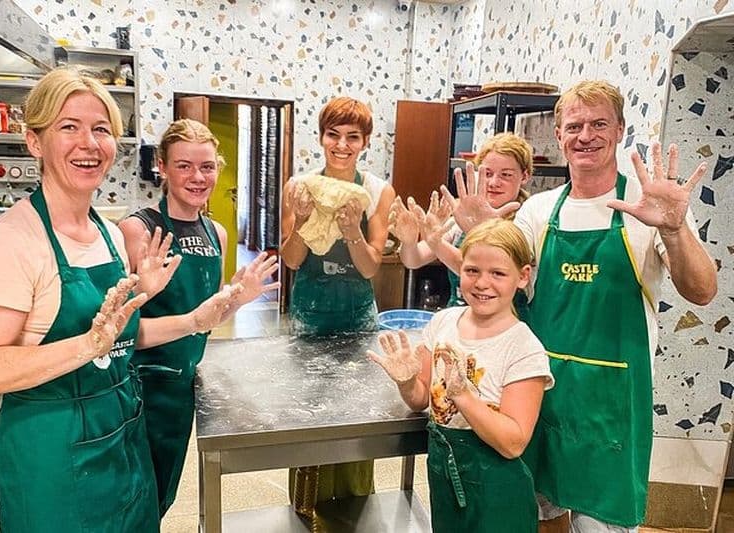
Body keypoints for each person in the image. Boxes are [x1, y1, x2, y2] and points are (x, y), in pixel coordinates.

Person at [0, 68, 270, 533]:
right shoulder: (11, 243)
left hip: (124, 438)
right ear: (35, 141)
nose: (89, 143)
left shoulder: (106, 233)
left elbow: (122, 337)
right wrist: (85, 346)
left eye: (101, 129)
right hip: (56, 461)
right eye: (68, 127)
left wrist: (197, 318)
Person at [441, 80, 718, 532]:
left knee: (599, 524)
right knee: (539, 514)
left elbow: (703, 291)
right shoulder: (538, 211)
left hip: (609, 405)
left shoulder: (649, 205)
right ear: (559, 133)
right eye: (574, 125)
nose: (585, 135)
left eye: (599, 123)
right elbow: (494, 285)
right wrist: (477, 234)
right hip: (538, 393)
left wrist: (673, 228)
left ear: (620, 129)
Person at [119, 118, 280, 517]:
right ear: (162, 166)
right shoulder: (137, 229)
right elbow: (120, 329)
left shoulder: (217, 233)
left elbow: (208, 314)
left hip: (186, 382)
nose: (197, 177)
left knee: (163, 491)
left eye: (207, 167)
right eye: (184, 166)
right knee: (135, 496)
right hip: (142, 386)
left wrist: (240, 299)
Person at [368, 218, 553, 533]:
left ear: (522, 277)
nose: (482, 283)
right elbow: (420, 399)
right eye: (472, 271)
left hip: (497, 494)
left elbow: (513, 443)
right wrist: (407, 382)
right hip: (446, 481)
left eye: (498, 273)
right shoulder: (444, 323)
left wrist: (464, 397)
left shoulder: (523, 348)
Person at [279, 96, 394, 507]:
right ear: (321, 137)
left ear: (365, 142)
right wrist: (305, 221)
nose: (341, 145)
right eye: (333, 135)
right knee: (308, 414)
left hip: (357, 315)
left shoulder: (378, 191)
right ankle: (305, 508)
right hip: (310, 313)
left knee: (358, 414)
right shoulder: (299, 187)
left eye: (352, 137)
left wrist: (352, 233)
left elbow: (369, 267)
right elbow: (291, 259)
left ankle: (355, 505)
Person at [391, 132, 533, 307]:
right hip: (459, 321)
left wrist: (437, 244)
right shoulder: (464, 214)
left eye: (506, 175)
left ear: (525, 176)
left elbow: (486, 278)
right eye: (487, 173)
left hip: (500, 326)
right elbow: (413, 260)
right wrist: (409, 242)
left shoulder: (527, 219)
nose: (494, 182)